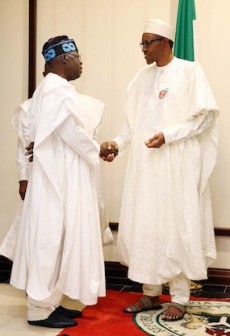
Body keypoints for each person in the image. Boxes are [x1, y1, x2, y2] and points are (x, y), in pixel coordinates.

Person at [100, 19, 219, 321]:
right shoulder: (141, 78)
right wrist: (117, 143)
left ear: (165, 42)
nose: (142, 48)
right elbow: (132, 123)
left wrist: (170, 135)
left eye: (147, 42)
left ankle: (179, 297)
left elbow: (206, 119)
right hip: (146, 168)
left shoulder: (190, 72)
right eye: (141, 43)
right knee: (147, 224)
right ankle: (150, 294)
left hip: (176, 166)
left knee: (175, 226)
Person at [0, 35, 112, 328]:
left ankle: (49, 303)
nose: (81, 62)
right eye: (77, 57)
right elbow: (69, 130)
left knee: (58, 240)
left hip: (57, 177)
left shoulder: (54, 89)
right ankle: (38, 309)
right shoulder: (54, 88)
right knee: (48, 241)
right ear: (63, 58)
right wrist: (96, 148)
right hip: (54, 181)